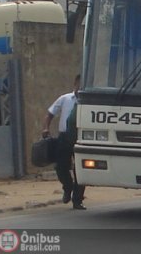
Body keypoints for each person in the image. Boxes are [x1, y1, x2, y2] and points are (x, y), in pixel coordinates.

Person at [42, 74, 86, 210]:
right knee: (60, 167)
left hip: (81, 138)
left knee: (80, 170)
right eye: (79, 84)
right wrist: (45, 128)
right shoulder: (65, 98)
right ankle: (68, 187)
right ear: (75, 84)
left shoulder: (88, 102)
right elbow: (50, 114)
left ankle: (77, 200)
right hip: (64, 137)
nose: (81, 88)